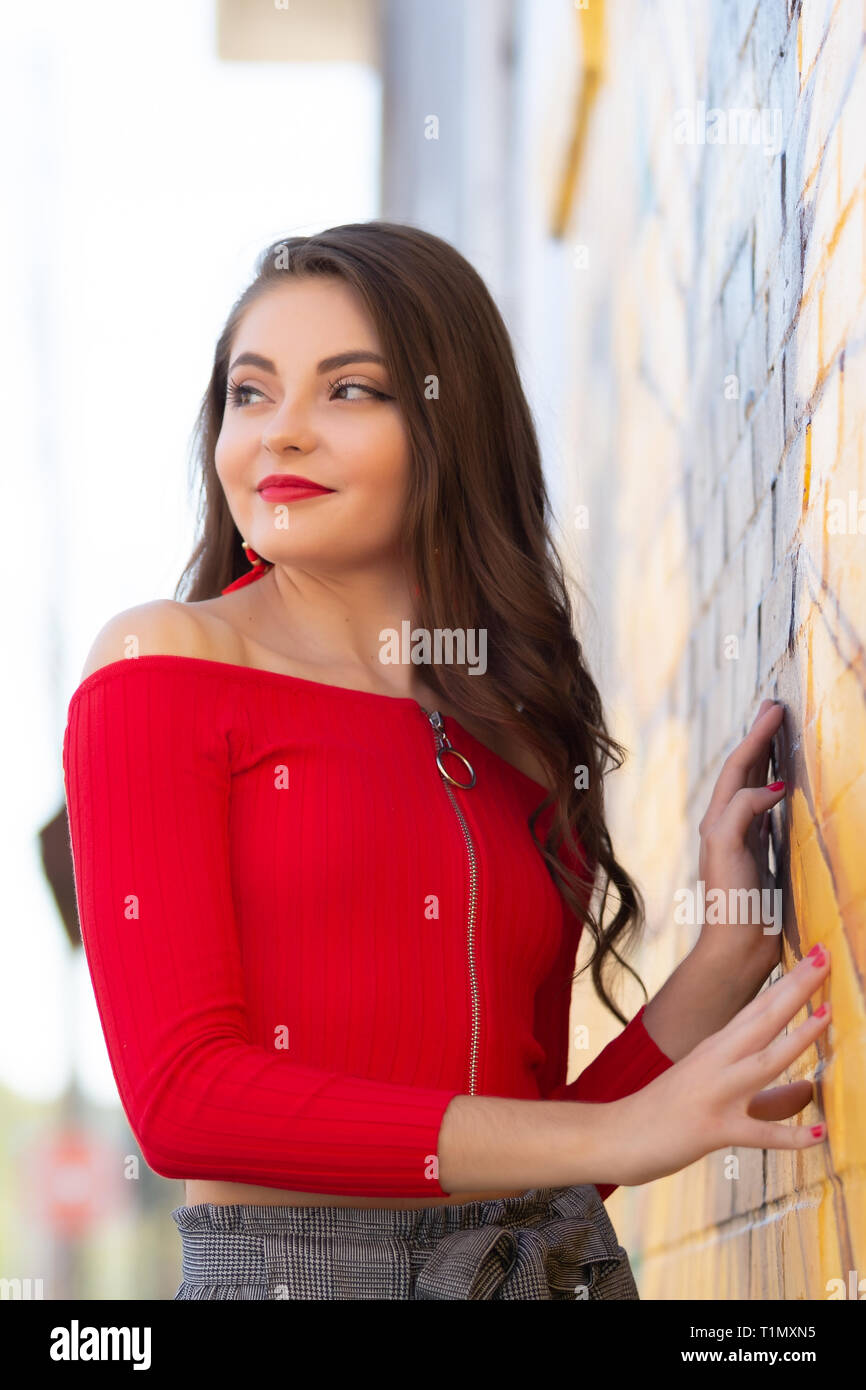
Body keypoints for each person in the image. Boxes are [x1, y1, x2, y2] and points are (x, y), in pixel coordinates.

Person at [62, 222, 831, 1301]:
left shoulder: (514, 722)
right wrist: (620, 1130)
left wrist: (728, 955)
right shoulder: (161, 664)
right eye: (250, 393)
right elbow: (182, 1100)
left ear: (449, 423)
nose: (281, 433)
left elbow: (541, 1149)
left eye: (348, 390)